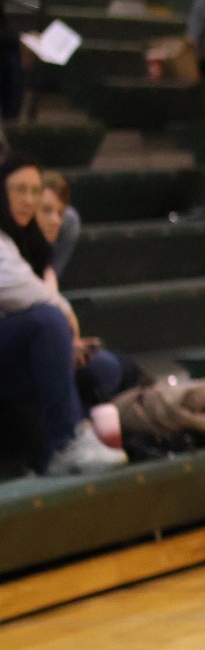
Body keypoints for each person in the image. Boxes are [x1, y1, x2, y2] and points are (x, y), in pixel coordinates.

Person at [0, 153, 125, 474]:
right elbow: (23, 293)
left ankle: (91, 433)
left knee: (107, 367)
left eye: (34, 191)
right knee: (48, 320)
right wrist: (67, 318)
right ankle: (65, 442)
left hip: (17, 358)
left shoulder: (28, 244)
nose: (28, 200)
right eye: (19, 190)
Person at [38, 169, 79, 279]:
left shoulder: (69, 222)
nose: (57, 221)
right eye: (46, 210)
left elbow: (49, 280)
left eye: (60, 213)